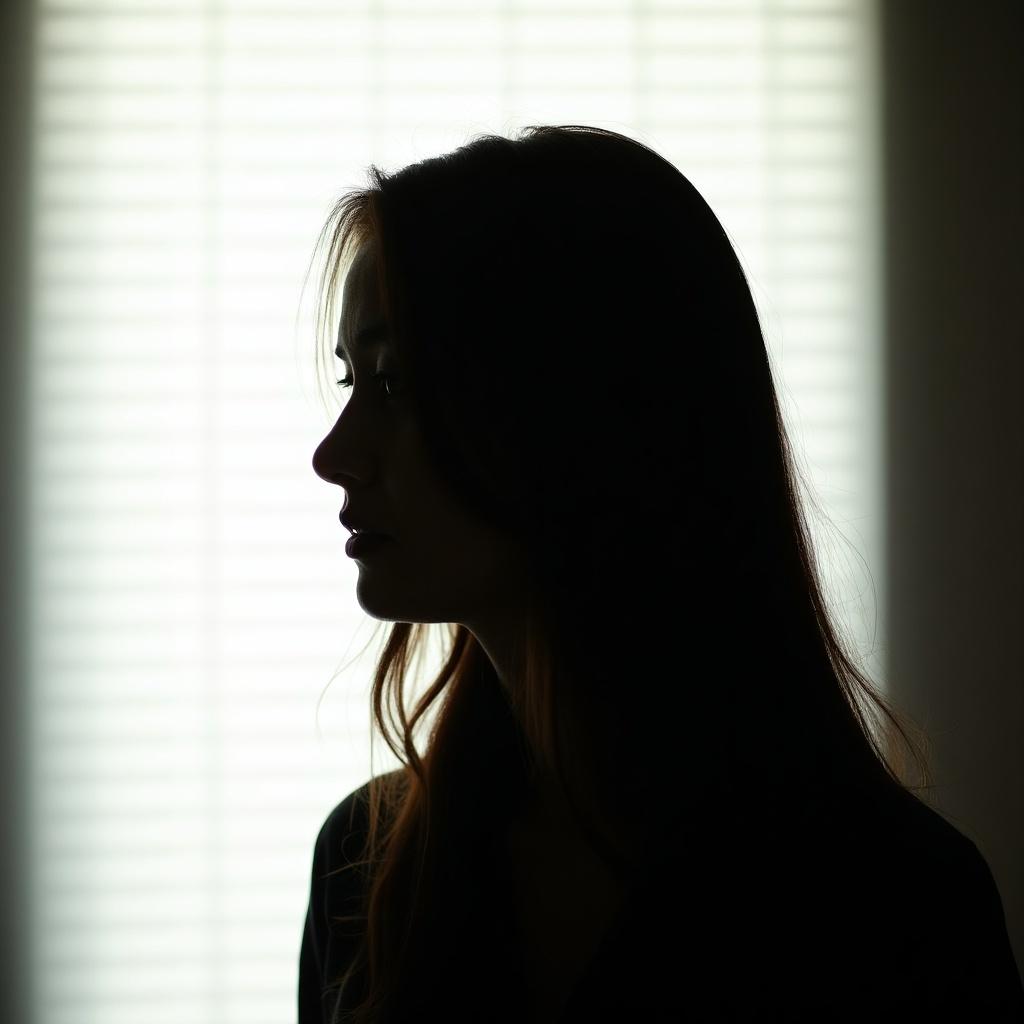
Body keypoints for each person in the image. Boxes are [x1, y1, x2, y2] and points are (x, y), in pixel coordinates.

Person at [301, 125, 1024, 1023]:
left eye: (395, 382)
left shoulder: (898, 908)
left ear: (582, 414)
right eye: (351, 384)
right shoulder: (364, 877)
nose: (336, 456)